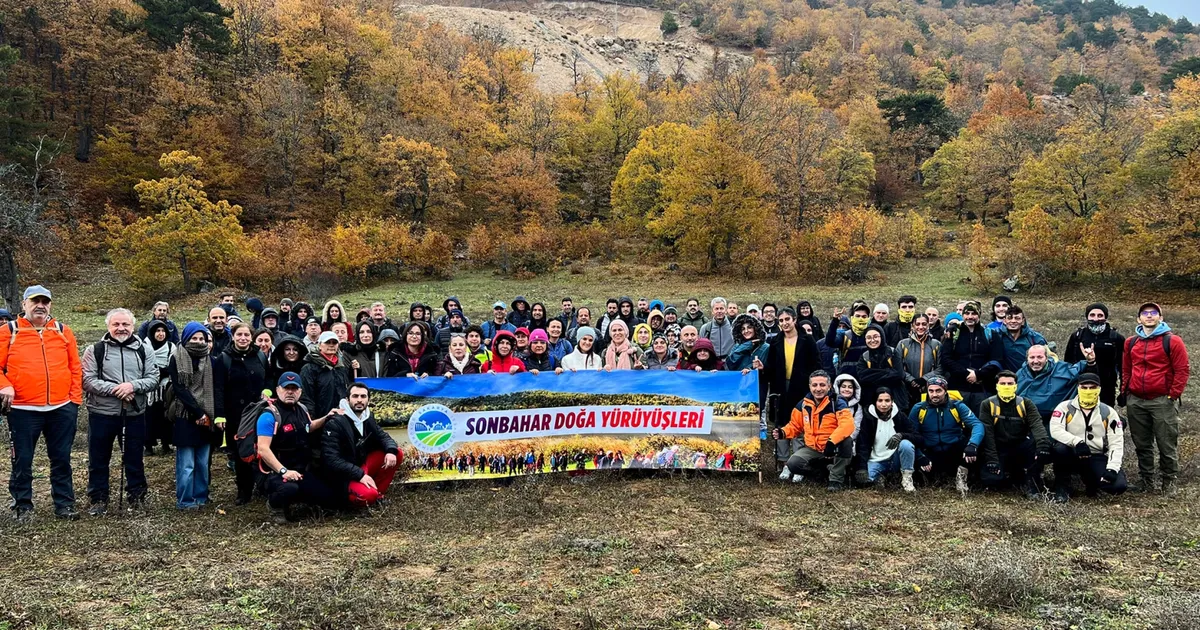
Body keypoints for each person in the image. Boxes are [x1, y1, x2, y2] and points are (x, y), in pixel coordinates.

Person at [0, 285, 83, 522]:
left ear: (50, 305)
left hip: (61, 408)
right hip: (23, 410)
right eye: (35, 301)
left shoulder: (62, 330)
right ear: (24, 304)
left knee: (62, 458)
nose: (40, 306)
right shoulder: (9, 331)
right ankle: (22, 506)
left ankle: (64, 504)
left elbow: (75, 368)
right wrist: (3, 385)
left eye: (45, 302)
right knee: (22, 460)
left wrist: (74, 401)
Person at [81, 308, 159, 515]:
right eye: (116, 324)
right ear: (108, 326)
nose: (121, 328)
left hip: (134, 414)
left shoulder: (145, 349)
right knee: (98, 458)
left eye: (125, 324)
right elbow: (87, 380)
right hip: (101, 413)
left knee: (134, 457)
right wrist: (117, 390)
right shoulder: (95, 350)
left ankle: (137, 497)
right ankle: (98, 499)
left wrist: (133, 386)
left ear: (133, 326)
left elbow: (153, 377)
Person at [1121, 301, 1190, 495]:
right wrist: (1125, 390)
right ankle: (1146, 480)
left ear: (1160, 317)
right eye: (1145, 313)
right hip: (1136, 400)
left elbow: (1182, 370)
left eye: (1153, 313)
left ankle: (1169, 482)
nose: (1149, 316)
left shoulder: (1172, 341)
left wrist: (1173, 394)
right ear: (1138, 318)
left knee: (1166, 443)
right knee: (1142, 443)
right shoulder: (1131, 342)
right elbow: (1126, 368)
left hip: (1162, 400)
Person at [255, 373, 340, 523]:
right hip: (275, 473)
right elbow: (262, 449)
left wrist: (326, 417)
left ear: (300, 392)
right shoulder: (269, 416)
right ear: (277, 389)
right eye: (286, 388)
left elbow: (309, 427)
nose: (290, 392)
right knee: (289, 489)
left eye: (294, 389)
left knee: (330, 498)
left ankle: (301, 498)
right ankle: (275, 506)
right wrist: (284, 471)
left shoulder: (302, 408)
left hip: (300, 470)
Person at [168, 322, 223, 511]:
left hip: (208, 416)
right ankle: (185, 500)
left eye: (202, 338)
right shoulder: (176, 358)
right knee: (186, 464)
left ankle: (201, 496)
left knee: (202, 461)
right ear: (186, 338)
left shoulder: (212, 361)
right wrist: (197, 413)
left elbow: (216, 388)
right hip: (185, 415)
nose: (199, 342)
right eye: (194, 338)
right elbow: (180, 389)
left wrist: (208, 415)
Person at [1049, 373, 1126, 503]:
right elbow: (1055, 430)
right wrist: (1077, 442)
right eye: (1084, 387)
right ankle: (1062, 485)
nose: (1088, 390)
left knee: (1118, 486)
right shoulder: (1064, 407)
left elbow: (1116, 443)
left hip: (1095, 455)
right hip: (1072, 452)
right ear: (1078, 388)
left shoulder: (1108, 412)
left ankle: (1091, 480)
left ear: (1099, 389)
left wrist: (1112, 468)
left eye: (1092, 387)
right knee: (1059, 449)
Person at [321, 384, 401, 508]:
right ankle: (352, 500)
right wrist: (360, 474)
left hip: (362, 464)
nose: (359, 400)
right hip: (344, 474)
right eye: (355, 396)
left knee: (397, 453)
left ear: (368, 400)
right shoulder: (335, 422)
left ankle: (378, 494)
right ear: (347, 400)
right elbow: (331, 459)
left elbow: (383, 436)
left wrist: (391, 450)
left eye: (363, 396)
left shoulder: (368, 417)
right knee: (368, 496)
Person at [216, 321, 269, 505]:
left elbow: (269, 379)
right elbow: (219, 388)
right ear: (233, 336)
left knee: (261, 450)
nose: (243, 338)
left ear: (251, 337)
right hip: (235, 415)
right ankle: (243, 491)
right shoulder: (224, 358)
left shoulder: (260, 356)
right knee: (241, 453)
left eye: (246, 335)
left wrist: (268, 391)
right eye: (239, 335)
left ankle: (263, 486)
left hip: (259, 412)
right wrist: (220, 414)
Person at [774, 371, 855, 491]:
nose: (818, 389)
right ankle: (822, 472)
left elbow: (847, 425)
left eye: (822, 385)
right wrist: (783, 432)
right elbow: (795, 425)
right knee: (793, 464)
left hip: (833, 447)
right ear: (810, 386)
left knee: (847, 441)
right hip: (813, 448)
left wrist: (831, 442)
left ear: (829, 386)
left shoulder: (837, 402)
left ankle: (836, 480)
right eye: (814, 385)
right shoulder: (803, 404)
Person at [978, 371, 1051, 499]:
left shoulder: (1026, 403)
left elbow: (1037, 425)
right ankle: (1010, 473)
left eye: (1010, 383)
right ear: (996, 385)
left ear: (1016, 385)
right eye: (1003, 383)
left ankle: (1031, 482)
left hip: (1021, 445)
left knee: (1036, 444)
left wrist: (1043, 445)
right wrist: (992, 460)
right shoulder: (987, 404)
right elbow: (987, 434)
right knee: (991, 480)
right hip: (999, 446)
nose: (1006, 386)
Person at [763, 307, 822, 464]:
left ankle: (798, 460)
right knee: (782, 422)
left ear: (794, 320)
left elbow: (816, 363)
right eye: (781, 320)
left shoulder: (807, 340)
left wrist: (811, 384)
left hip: (801, 387)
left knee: (800, 422)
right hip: (780, 387)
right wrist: (762, 368)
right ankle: (782, 460)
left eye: (787, 319)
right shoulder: (776, 341)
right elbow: (771, 366)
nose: (784, 323)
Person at [907, 376, 983, 492]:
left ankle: (962, 475)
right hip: (930, 450)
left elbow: (977, 425)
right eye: (931, 391)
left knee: (974, 444)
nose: (934, 394)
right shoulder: (919, 408)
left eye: (938, 391)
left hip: (953, 449)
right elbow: (911, 434)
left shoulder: (956, 406)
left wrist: (973, 445)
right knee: (924, 479)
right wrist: (920, 456)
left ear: (945, 390)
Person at [940, 301, 1003, 414]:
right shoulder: (953, 334)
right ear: (962, 315)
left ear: (979, 315)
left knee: (982, 421)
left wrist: (978, 374)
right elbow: (946, 358)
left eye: (973, 313)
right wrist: (965, 373)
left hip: (983, 388)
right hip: (958, 387)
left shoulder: (990, 334)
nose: (970, 317)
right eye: (967, 313)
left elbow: (997, 360)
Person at [854, 388, 917, 492]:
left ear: (892, 402)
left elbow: (918, 437)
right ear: (875, 402)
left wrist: (902, 435)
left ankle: (907, 479)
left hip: (896, 459)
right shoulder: (868, 418)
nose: (884, 404)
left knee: (906, 444)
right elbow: (863, 444)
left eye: (887, 401)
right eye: (880, 401)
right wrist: (862, 467)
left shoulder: (900, 416)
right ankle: (882, 478)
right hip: (876, 460)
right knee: (864, 481)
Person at [1016, 344, 1097, 423]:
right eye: (1032, 357)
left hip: (1053, 421)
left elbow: (1085, 374)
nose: (1036, 361)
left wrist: (1090, 361)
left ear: (1047, 358)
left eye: (1040, 357)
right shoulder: (1021, 374)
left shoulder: (1061, 370)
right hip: (1025, 421)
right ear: (1027, 359)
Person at [1063, 303, 1124, 406]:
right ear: (1087, 317)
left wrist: (1123, 391)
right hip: (1081, 386)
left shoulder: (1116, 338)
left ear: (1105, 317)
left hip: (1106, 387)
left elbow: (1123, 367)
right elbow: (1067, 363)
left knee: (1104, 418)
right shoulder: (1077, 336)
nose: (1096, 319)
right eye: (1092, 315)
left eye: (1100, 315)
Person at [856, 325, 908, 413]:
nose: (872, 340)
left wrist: (872, 374)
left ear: (882, 336)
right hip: (871, 400)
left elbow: (899, 375)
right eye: (868, 338)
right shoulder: (865, 357)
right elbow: (862, 377)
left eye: (876, 336)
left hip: (896, 398)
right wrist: (888, 372)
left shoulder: (893, 352)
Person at [301, 332, 351, 420]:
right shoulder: (309, 368)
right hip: (320, 419)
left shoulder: (341, 368)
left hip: (341, 418)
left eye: (334, 343)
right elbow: (306, 397)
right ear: (320, 345)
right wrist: (312, 419)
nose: (331, 345)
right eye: (328, 342)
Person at [894, 313, 942, 405]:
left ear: (928, 325)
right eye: (917, 324)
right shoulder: (903, 344)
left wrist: (924, 379)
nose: (921, 327)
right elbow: (898, 367)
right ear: (912, 326)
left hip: (930, 389)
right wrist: (911, 380)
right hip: (907, 389)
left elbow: (940, 368)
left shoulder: (936, 344)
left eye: (924, 324)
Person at [825, 301, 871, 377]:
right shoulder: (845, 335)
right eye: (857, 316)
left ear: (868, 319)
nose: (860, 319)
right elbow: (830, 342)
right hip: (847, 381)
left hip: (866, 379)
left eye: (864, 317)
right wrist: (835, 321)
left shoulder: (871, 335)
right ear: (852, 318)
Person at [996, 305, 1046, 371]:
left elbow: (1049, 357)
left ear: (1023, 321)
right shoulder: (996, 335)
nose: (1013, 321)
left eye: (1017, 318)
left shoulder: (1035, 338)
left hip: (1028, 377)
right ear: (1004, 321)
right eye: (1010, 318)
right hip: (1004, 378)